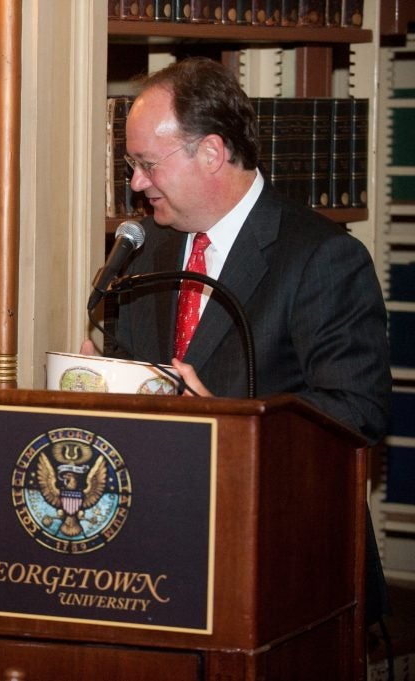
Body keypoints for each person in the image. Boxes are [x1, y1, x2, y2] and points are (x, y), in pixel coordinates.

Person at [84, 56, 391, 621]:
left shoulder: (323, 257)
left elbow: (357, 413)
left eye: (147, 163)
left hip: (284, 561)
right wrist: (108, 380)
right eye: (132, 165)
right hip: (159, 556)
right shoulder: (147, 249)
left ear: (212, 152)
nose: (136, 183)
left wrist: (235, 421)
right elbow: (145, 375)